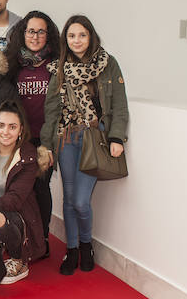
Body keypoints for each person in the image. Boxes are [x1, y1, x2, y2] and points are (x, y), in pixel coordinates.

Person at [41, 15, 129, 275]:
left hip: (94, 137)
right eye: (71, 36)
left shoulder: (107, 64)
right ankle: (72, 250)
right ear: (65, 39)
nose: (76, 40)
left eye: (82, 35)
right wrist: (46, 145)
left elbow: (119, 105)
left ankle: (86, 244)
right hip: (66, 137)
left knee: (81, 201)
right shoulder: (59, 68)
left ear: (90, 37)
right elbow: (51, 110)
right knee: (68, 198)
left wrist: (116, 137)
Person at [4, 10, 60, 256]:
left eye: (40, 31)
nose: (35, 36)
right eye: (30, 31)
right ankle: (21, 238)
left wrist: (49, 144)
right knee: (18, 190)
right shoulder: (12, 64)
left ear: (48, 36)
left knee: (40, 188)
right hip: (19, 138)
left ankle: (42, 239)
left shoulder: (56, 65)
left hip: (46, 140)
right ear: (22, 33)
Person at [0, 101, 47, 284]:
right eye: (1, 125)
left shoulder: (28, 156)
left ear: (21, 130)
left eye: (12, 127)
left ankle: (19, 259)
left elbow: (14, 200)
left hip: (17, 216)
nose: (5, 132)